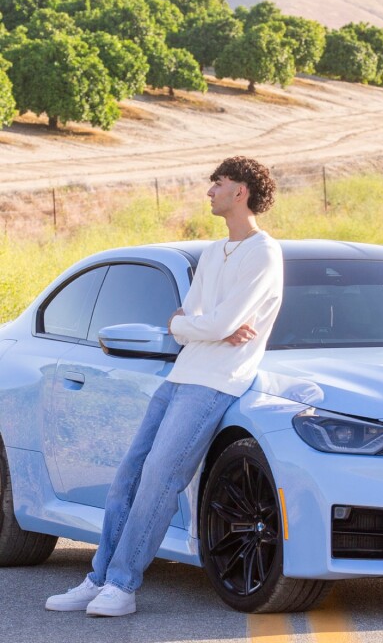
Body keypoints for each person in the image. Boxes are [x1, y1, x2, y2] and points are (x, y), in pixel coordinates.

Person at [46, 156, 283, 617]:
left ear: (241, 192)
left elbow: (215, 323)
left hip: (214, 383)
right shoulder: (214, 252)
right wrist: (201, 326)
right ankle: (99, 578)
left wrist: (201, 325)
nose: (210, 190)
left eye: (218, 183)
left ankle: (123, 586)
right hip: (179, 376)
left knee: (160, 478)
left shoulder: (264, 253)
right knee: (129, 476)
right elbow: (188, 321)